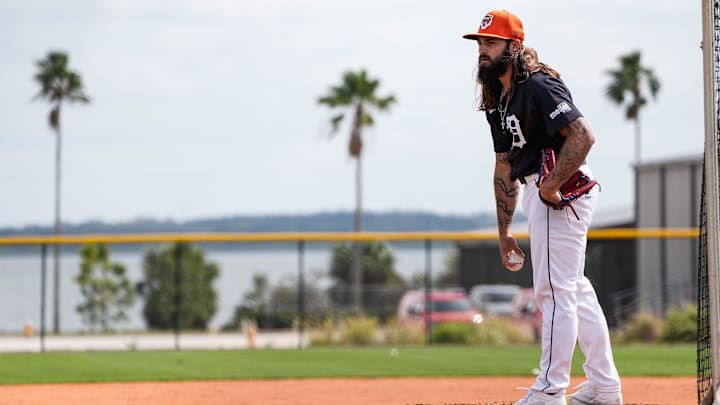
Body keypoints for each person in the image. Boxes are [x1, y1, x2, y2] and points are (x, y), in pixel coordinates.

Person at [462, 10, 623, 405]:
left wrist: (550, 187)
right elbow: (505, 166)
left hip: (559, 190)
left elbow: (583, 136)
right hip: (542, 191)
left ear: (514, 47)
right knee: (574, 291)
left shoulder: (537, 85)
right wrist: (504, 232)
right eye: (480, 43)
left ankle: (550, 391)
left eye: (491, 43)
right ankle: (604, 387)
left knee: (553, 291)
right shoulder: (498, 98)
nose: (483, 51)